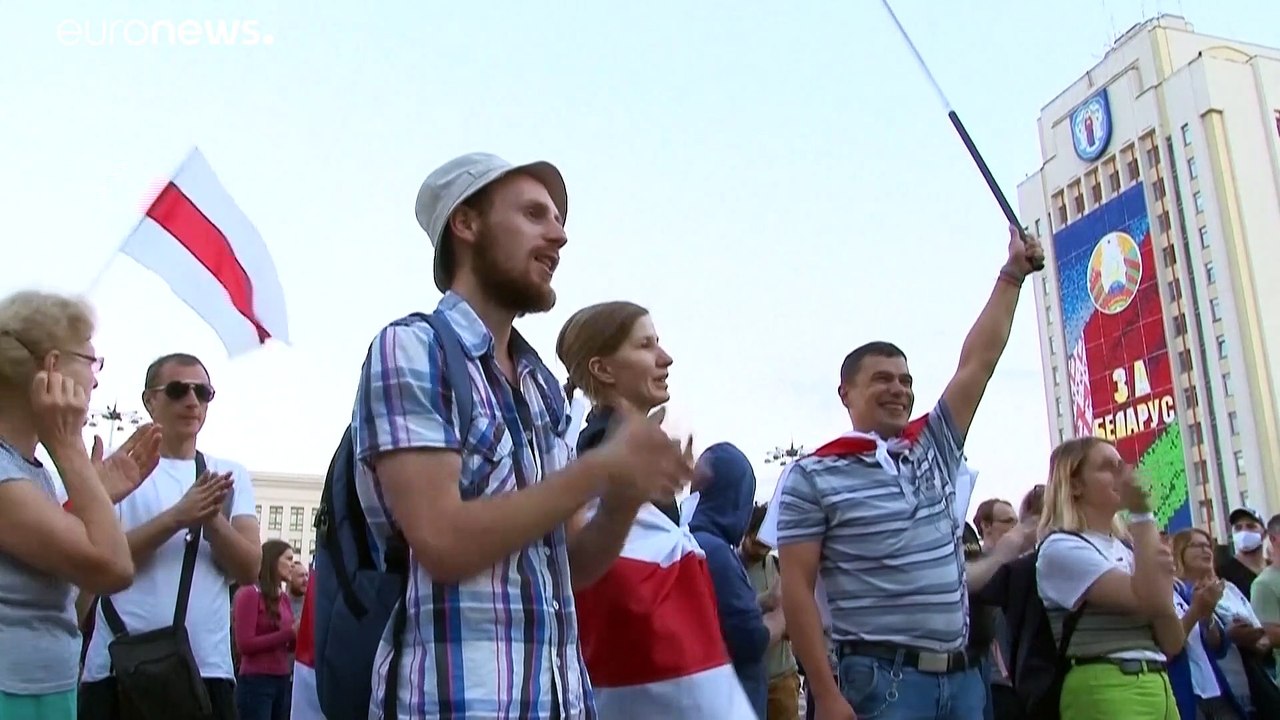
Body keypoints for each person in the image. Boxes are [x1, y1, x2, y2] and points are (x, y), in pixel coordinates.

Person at [355, 154, 692, 718]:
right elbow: (442, 540)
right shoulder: (413, 348)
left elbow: (576, 563)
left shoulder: (541, 387)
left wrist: (626, 495)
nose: (559, 235)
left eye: (558, 220)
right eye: (535, 215)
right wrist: (599, 469)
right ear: (466, 224)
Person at [776, 227, 1044, 720]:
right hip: (882, 681)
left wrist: (1012, 276)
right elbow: (796, 590)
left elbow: (977, 363)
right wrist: (827, 694)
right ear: (845, 394)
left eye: (906, 380)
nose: (898, 390)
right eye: (881, 379)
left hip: (964, 679)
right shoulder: (811, 476)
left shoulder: (933, 448)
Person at [559, 300, 754, 718]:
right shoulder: (609, 460)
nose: (665, 358)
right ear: (603, 370)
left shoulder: (615, 452)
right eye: (645, 346)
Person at [0, 290, 156, 720]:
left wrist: (95, 498)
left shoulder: (29, 472)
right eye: (90, 362)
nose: (96, 379)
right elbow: (115, 567)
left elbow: (73, 602)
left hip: (45, 688)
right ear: (52, 367)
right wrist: (70, 449)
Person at [80, 352, 262, 720]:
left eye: (203, 392)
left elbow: (250, 568)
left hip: (204, 669)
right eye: (178, 390)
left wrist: (212, 522)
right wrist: (178, 517)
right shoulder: (117, 470)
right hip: (119, 666)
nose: (192, 401)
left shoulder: (230, 475)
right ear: (150, 401)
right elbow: (100, 561)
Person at [1035, 436, 1182, 718]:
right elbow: (1148, 600)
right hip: (1104, 683)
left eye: (1122, 465)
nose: (1123, 475)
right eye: (1107, 467)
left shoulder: (1128, 548)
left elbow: (1173, 641)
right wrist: (1141, 514)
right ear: (1075, 485)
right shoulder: (1061, 547)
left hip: (1159, 682)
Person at [690, 443, 783, 716]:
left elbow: (715, 618)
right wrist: (783, 612)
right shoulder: (716, 551)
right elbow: (750, 640)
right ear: (738, 498)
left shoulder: (690, 537)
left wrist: (762, 602)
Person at [1167, 528, 1249, 719]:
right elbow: (1168, 645)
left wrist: (1208, 615)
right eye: (1197, 545)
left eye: (1208, 545)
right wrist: (1196, 610)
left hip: (1217, 689)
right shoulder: (1173, 590)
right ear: (1179, 551)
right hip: (1186, 693)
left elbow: (1218, 647)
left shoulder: (1211, 590)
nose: (1206, 550)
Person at [740, 505, 801, 720]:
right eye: (757, 544)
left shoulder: (778, 567)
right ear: (746, 533)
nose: (761, 551)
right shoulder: (731, 569)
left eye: (766, 546)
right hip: (745, 682)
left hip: (782, 679)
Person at [233, 540, 298, 720]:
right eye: (288, 559)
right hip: (257, 681)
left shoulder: (284, 598)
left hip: (283, 679)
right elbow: (244, 644)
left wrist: (297, 635)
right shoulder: (250, 593)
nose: (293, 564)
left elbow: (289, 646)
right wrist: (288, 633)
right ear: (272, 560)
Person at [1221, 508, 1267, 600]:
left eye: (1250, 526)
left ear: (1264, 534)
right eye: (1238, 528)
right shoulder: (1224, 573)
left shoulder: (1274, 568)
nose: (1244, 532)